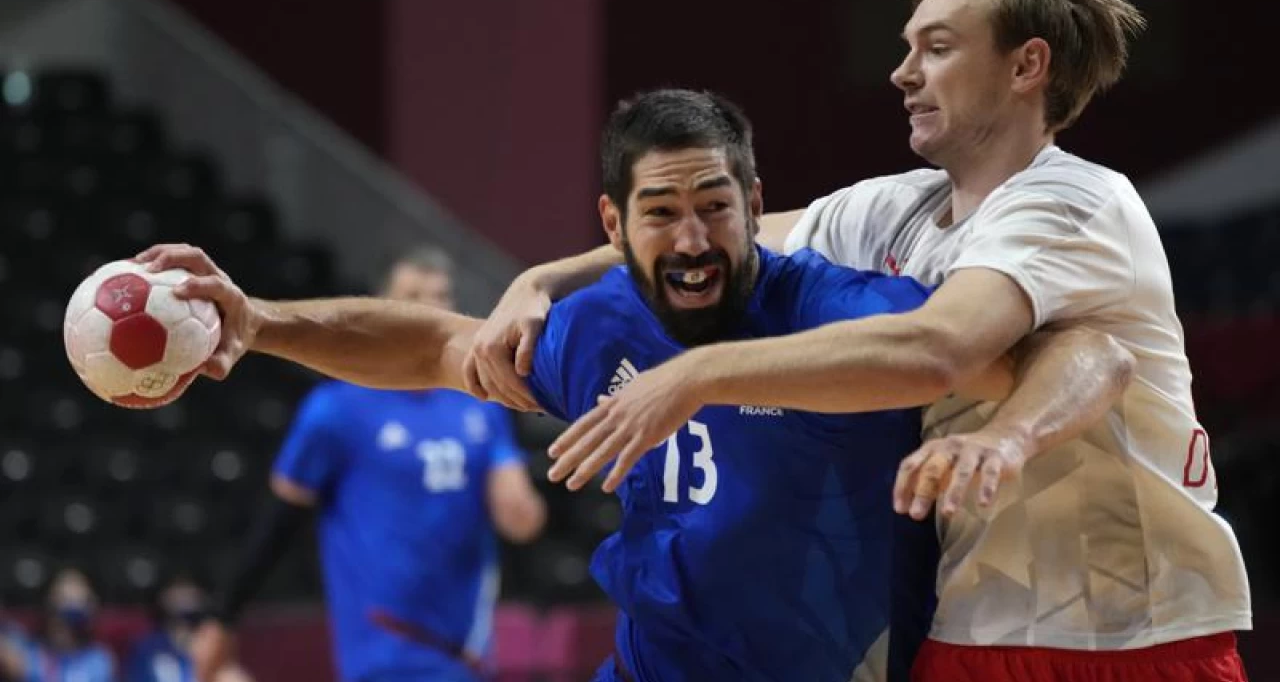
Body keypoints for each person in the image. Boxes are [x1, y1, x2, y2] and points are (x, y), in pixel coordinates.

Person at [133, 88, 1130, 682]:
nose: (691, 239)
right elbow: (437, 350)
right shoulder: (603, 325)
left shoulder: (847, 310)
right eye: (661, 212)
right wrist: (260, 323)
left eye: (713, 207)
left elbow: (1089, 347)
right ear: (612, 224)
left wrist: (1006, 438)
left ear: (753, 203)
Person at [463, 0, 1252, 681]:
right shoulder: (894, 207)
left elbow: (942, 347)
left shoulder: (1075, 201)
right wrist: (543, 277)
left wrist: (696, 373)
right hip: (969, 627)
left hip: (1132, 632)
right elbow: (717, 233)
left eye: (937, 48)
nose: (902, 72)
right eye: (908, 48)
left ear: (1026, 66)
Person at [188, 247, 547, 682]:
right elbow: (277, 524)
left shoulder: (481, 404)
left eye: (441, 296)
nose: (430, 309)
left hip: (465, 657)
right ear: (383, 309)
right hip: (382, 657)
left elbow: (521, 521)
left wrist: (523, 506)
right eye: (412, 296)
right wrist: (222, 616)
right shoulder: (336, 409)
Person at [125, 573, 253, 682]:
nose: (184, 596)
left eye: (189, 588)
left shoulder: (225, 669)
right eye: (178, 587)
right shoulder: (147, 647)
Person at [15, 568, 117, 682]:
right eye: (62, 599)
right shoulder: (28, 655)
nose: (67, 607)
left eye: (76, 602)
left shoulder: (99, 659)